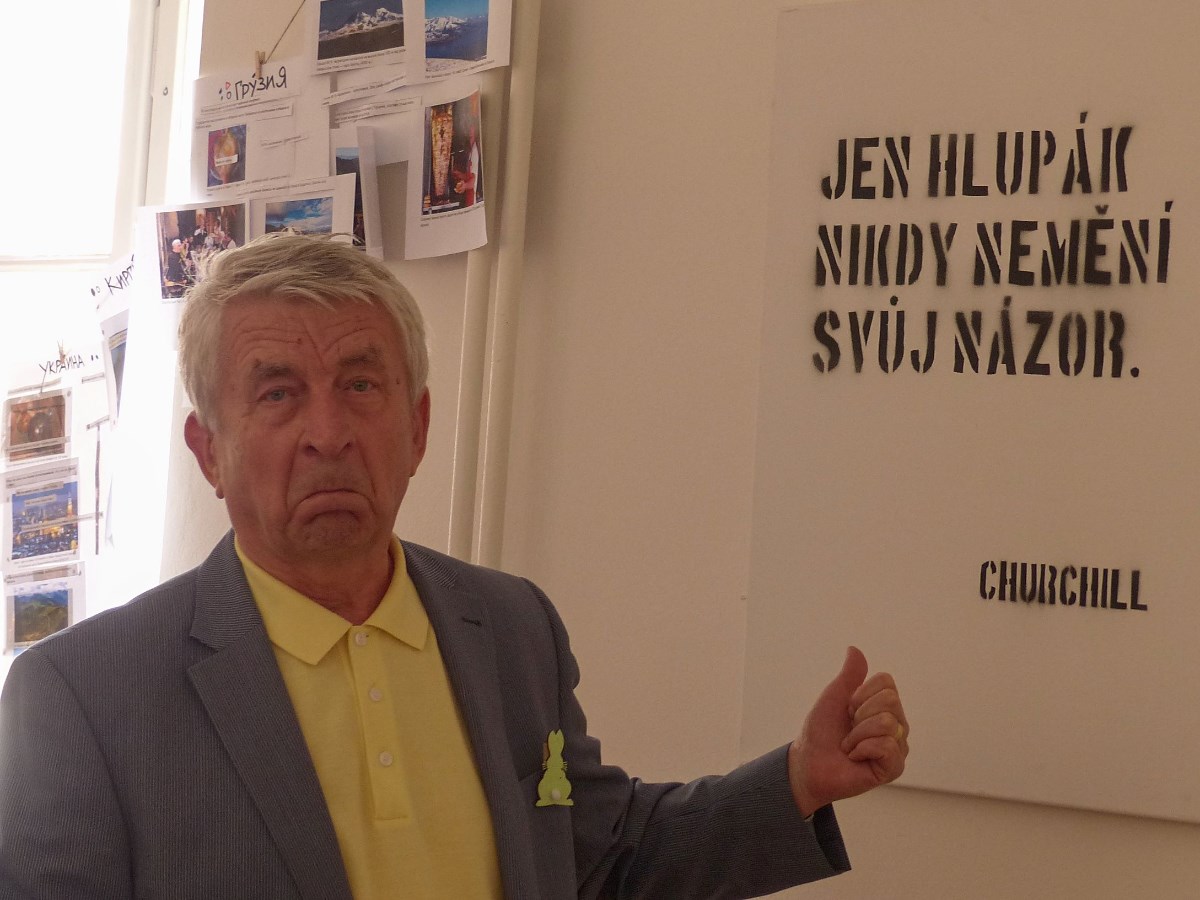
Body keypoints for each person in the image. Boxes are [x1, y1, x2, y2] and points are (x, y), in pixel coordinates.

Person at [0, 234, 909, 899]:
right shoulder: (85, 696)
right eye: (278, 393)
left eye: (362, 385)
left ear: (419, 427)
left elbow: (604, 857)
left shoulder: (511, 628)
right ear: (209, 450)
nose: (328, 433)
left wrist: (798, 779)